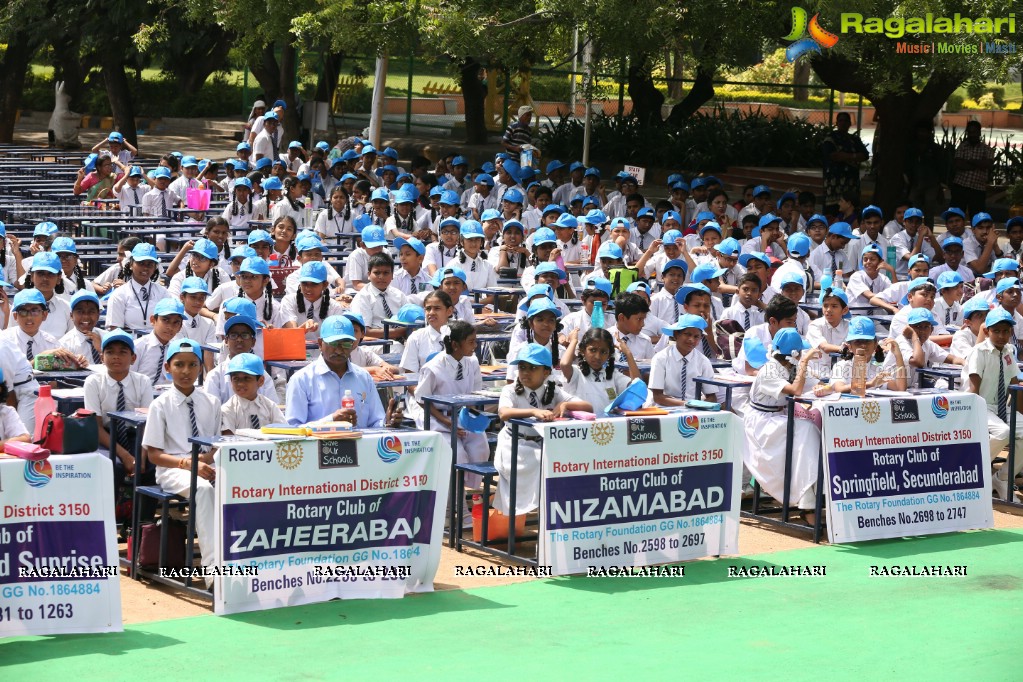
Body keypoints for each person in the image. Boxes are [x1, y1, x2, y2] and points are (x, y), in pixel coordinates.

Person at [143, 339, 222, 584]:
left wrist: (204, 461)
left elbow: (216, 443)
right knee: (204, 490)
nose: (186, 371)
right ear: (168, 367)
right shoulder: (160, 405)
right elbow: (153, 455)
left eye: (192, 365)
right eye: (179, 365)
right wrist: (189, 465)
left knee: (240, 485)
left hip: (206, 465)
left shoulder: (212, 402)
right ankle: (214, 573)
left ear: (201, 367)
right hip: (172, 469)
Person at [494, 343, 591, 515]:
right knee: (547, 463)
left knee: (568, 464)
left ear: (546, 372)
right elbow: (504, 413)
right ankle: (542, 513)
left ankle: (552, 516)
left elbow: (588, 406)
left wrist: (566, 404)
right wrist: (533, 411)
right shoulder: (510, 390)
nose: (525, 372)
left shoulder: (552, 390)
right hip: (515, 445)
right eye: (522, 367)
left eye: (532, 368)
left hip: (541, 445)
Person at [744, 328, 825, 523]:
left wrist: (824, 386)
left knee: (811, 429)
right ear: (794, 355)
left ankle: (814, 499)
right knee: (807, 430)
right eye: (800, 353)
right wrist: (805, 362)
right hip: (761, 423)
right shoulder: (768, 370)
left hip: (778, 419)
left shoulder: (790, 367)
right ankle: (807, 506)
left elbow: (816, 383)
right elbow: (796, 389)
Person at [413, 321, 489, 492]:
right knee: (457, 455)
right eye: (471, 342)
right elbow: (421, 399)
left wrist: (471, 419)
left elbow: (475, 393)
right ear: (455, 344)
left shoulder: (472, 362)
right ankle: (455, 505)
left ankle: (470, 494)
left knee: (481, 448)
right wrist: (448, 423)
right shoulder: (433, 367)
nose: (475, 346)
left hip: (463, 416)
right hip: (437, 419)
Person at [84, 330, 153, 499]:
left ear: (133, 358)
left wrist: (141, 457)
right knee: (113, 465)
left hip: (136, 435)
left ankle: (144, 520)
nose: (116, 357)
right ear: (101, 357)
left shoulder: (143, 381)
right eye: (110, 352)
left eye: (123, 352)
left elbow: (147, 424)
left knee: (151, 464)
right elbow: (96, 426)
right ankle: (112, 518)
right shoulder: (93, 382)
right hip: (105, 437)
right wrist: (126, 456)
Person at [962, 308, 1023, 499]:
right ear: (987, 331)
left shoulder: (1008, 351)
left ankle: (1003, 478)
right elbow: (973, 389)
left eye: (1005, 331)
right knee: (1003, 432)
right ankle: (972, 470)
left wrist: (1019, 415)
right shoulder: (978, 351)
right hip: (979, 404)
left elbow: (1015, 383)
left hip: (1002, 408)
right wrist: (972, 418)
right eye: (996, 331)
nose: (1001, 335)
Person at [285, 315, 386, 427]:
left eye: (346, 344)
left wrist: (387, 423)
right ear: (320, 344)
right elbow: (293, 430)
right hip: (319, 444)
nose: (339, 350)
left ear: (353, 345)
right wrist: (331, 421)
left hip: (359, 443)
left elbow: (376, 421)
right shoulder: (301, 380)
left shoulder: (364, 377)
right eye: (333, 343)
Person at [562, 327, 640, 414]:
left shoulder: (613, 375)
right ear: (583, 350)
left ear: (609, 354)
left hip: (608, 426)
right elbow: (564, 364)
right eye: (593, 350)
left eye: (603, 352)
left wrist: (628, 353)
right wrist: (573, 341)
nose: (597, 357)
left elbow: (637, 386)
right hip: (582, 426)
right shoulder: (576, 373)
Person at [885, 308, 964, 388]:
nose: (922, 331)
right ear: (909, 328)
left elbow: (953, 359)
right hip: (887, 388)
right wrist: (914, 336)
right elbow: (918, 361)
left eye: (926, 327)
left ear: (932, 330)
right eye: (917, 326)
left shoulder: (928, 344)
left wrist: (966, 364)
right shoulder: (901, 341)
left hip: (908, 389)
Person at [649, 314, 717, 406]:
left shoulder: (703, 361)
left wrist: (698, 404)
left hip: (694, 409)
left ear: (701, 338)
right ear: (676, 334)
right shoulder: (661, 358)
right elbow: (658, 397)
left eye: (696, 337)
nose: (691, 340)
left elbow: (712, 397)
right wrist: (687, 404)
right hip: (665, 408)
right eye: (687, 334)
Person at [106, 243, 169, 331]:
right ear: (131, 264)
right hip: (129, 343)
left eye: (150, 264)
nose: (145, 268)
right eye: (141, 263)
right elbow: (114, 329)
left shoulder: (163, 293)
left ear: (155, 267)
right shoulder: (119, 295)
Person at [220, 353, 285, 434]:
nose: (240, 383)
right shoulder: (228, 409)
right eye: (236, 379)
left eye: (247, 378)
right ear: (231, 381)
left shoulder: (270, 407)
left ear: (260, 381)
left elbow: (283, 433)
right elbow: (227, 441)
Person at [821, 112, 869, 217]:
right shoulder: (830, 138)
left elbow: (865, 155)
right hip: (833, 185)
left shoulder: (855, 139)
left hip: (851, 183)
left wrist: (846, 156)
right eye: (840, 120)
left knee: (851, 212)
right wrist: (854, 156)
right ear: (836, 123)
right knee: (832, 213)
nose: (843, 123)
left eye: (845, 121)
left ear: (850, 123)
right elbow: (833, 155)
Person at [951, 120, 994, 217]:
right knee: (956, 216)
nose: (972, 135)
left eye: (974, 132)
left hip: (978, 189)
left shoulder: (987, 149)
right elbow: (958, 164)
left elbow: (987, 164)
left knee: (977, 218)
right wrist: (979, 163)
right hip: (960, 187)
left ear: (979, 132)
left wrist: (970, 161)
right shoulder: (962, 147)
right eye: (970, 132)